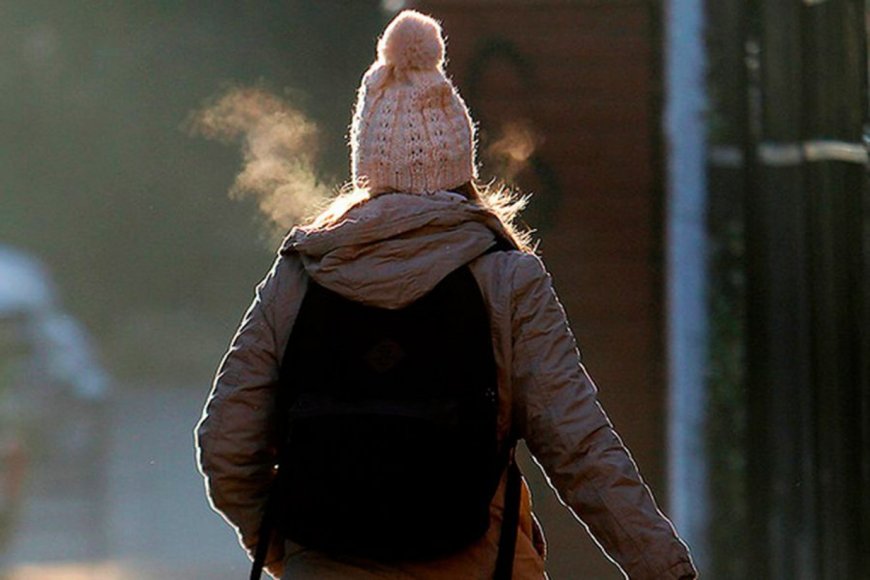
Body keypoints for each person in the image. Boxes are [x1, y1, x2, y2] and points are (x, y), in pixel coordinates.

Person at [195, 10, 698, 580]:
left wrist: (294, 551)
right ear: (463, 162)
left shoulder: (300, 276)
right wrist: (666, 570)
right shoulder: (506, 281)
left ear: (366, 166)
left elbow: (225, 446)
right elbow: (581, 450)